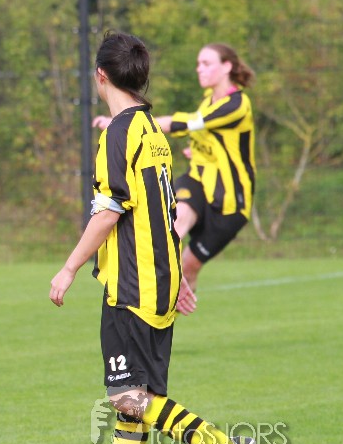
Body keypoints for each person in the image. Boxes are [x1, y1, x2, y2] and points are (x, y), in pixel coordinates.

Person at [51, 32, 255, 444]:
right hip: (157, 276)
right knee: (135, 390)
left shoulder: (119, 133)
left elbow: (109, 211)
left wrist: (69, 267)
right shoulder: (151, 131)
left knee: (126, 396)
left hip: (133, 282)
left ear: (101, 76)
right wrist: (176, 276)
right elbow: (164, 212)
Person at [94, 43, 255, 289]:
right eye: (198, 63)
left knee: (188, 268)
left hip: (230, 201)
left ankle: (170, 305)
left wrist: (126, 122)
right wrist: (197, 151)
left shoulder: (237, 103)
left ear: (227, 67)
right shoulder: (208, 100)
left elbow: (189, 123)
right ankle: (148, 286)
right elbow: (212, 139)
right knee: (174, 228)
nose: (199, 69)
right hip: (199, 182)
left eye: (206, 63)